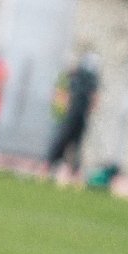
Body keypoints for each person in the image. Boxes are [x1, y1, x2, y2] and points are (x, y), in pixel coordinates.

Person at [44, 50, 100, 184]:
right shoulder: (84, 77)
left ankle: (68, 171)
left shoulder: (84, 77)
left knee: (71, 143)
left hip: (75, 115)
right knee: (66, 141)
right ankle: (53, 167)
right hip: (74, 115)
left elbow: (93, 99)